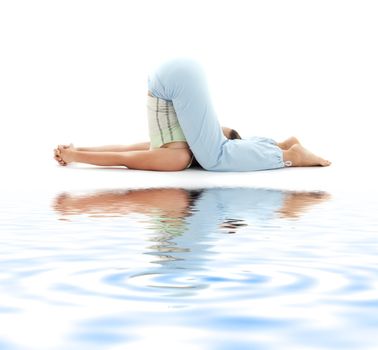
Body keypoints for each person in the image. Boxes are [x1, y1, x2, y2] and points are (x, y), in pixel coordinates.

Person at [54, 58, 331, 171]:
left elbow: (124, 156)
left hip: (172, 79)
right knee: (215, 156)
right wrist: (76, 152)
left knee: (215, 157)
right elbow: (126, 152)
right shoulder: (176, 151)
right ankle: (281, 148)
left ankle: (288, 154)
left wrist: (76, 153)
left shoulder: (175, 154)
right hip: (173, 79)